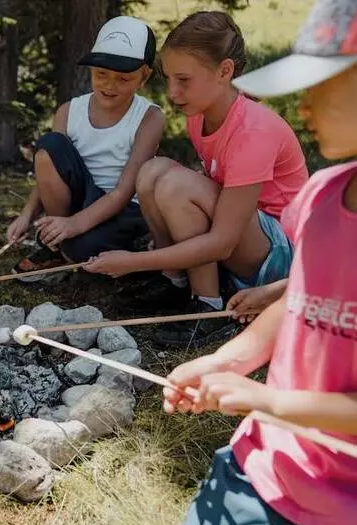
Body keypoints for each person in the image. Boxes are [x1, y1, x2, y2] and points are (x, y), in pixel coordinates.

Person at [164, 1, 357, 525]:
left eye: (323, 85)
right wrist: (229, 361)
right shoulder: (322, 197)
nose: (304, 103)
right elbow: (300, 302)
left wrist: (267, 399)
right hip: (272, 461)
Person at [84, 11, 309, 348]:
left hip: (281, 261)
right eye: (168, 79)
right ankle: (175, 281)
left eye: (184, 80)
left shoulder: (254, 131)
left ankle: (210, 307)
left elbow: (222, 243)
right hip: (246, 234)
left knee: (176, 186)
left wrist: (131, 262)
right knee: (152, 171)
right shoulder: (200, 116)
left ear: (225, 71)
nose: (173, 93)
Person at [7, 15, 164, 283]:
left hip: (124, 207)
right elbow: (48, 169)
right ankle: (54, 243)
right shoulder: (69, 111)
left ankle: (74, 241)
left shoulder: (149, 117)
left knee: (82, 250)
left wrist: (74, 225)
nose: (109, 85)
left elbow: (123, 192)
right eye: (101, 74)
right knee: (50, 146)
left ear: (144, 76)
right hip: (80, 197)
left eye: (123, 78)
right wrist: (27, 214)